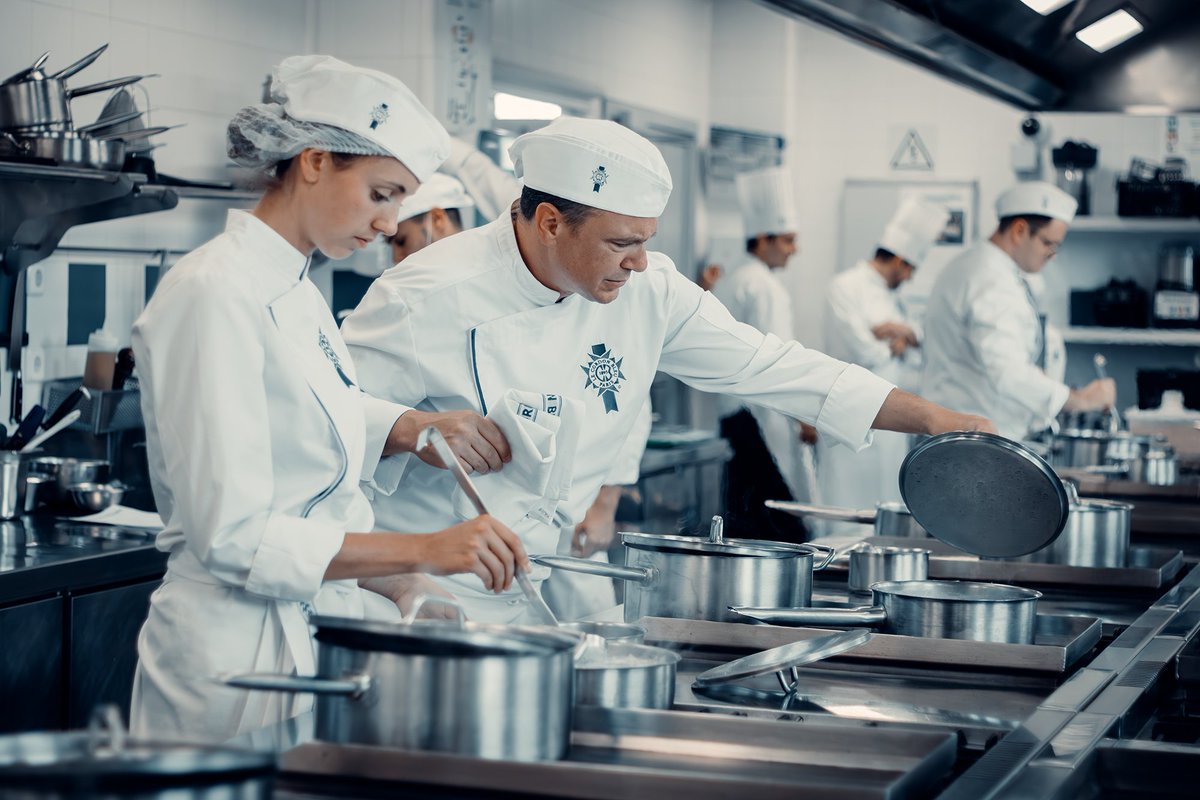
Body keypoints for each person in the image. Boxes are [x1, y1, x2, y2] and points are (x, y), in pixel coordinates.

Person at [342, 116, 994, 623]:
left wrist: (933, 418)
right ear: (548, 222)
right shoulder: (423, 294)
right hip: (424, 594)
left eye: (647, 241)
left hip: (549, 580)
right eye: (622, 242)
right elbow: (326, 425)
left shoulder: (649, 291)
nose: (639, 263)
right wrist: (407, 426)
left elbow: (770, 364)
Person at [129, 55, 528, 742]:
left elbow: (303, 440)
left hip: (303, 646)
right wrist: (421, 550)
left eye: (400, 200)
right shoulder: (213, 291)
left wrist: (409, 431)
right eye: (381, 193)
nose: (388, 223)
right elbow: (234, 534)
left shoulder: (300, 291)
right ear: (314, 162)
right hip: (225, 671)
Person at [382, 138, 647, 618]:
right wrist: (412, 428)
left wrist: (606, 497)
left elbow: (619, 393)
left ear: (437, 219)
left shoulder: (576, 279)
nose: (391, 248)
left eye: (399, 238)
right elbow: (339, 425)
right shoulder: (412, 295)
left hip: (565, 532)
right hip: (454, 558)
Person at [923, 181, 1115, 440]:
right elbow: (1007, 371)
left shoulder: (992, 270)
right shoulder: (989, 278)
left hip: (976, 436)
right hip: (971, 440)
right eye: (1048, 243)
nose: (1052, 255)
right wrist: (1078, 399)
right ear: (1019, 230)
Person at [820, 198, 949, 512]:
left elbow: (920, 343)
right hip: (851, 418)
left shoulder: (895, 298)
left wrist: (897, 332)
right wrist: (895, 342)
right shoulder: (844, 286)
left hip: (891, 422)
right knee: (847, 507)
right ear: (900, 261)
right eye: (911, 270)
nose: (910, 279)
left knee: (887, 505)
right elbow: (864, 351)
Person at [711, 166, 817, 541]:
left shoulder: (736, 278)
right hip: (758, 419)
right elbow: (779, 363)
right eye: (788, 241)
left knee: (747, 518)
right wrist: (805, 413)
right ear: (764, 239)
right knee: (777, 526)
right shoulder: (762, 286)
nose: (794, 250)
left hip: (737, 416)